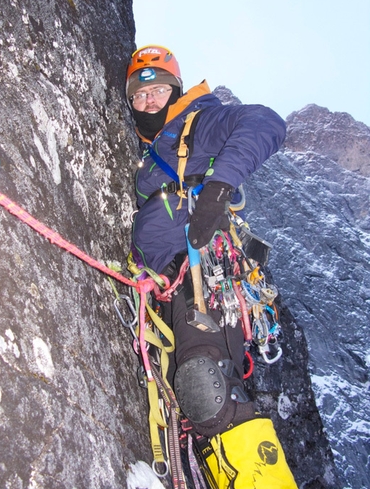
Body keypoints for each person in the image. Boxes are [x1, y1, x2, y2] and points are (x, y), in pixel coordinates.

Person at [126, 45, 297, 489]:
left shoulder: (196, 121)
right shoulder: (154, 148)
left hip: (203, 272)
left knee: (207, 388)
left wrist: (219, 187)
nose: (148, 102)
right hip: (174, 285)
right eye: (139, 96)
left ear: (175, 91)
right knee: (194, 398)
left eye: (157, 91)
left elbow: (265, 122)